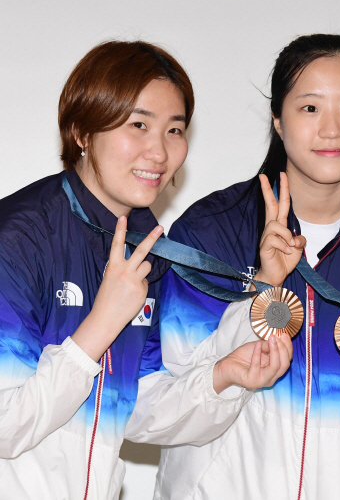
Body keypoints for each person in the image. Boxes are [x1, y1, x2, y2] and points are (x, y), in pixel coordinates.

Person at [0, 40, 292, 500]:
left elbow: (138, 408)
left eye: (175, 131)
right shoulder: (17, 236)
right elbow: (5, 428)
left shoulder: (146, 240)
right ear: (81, 130)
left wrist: (224, 377)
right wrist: (100, 324)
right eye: (139, 125)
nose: (159, 152)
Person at [154, 33, 340, 499]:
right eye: (310, 108)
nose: (331, 130)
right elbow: (165, 403)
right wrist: (261, 292)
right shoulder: (211, 230)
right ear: (279, 121)